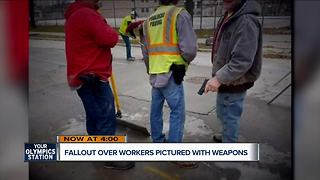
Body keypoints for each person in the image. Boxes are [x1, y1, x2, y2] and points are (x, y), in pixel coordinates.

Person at [64, 0, 134, 170]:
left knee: (93, 115)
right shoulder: (88, 15)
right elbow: (110, 38)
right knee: (105, 116)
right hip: (93, 76)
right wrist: (107, 27)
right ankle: (108, 157)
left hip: (81, 77)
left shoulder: (74, 15)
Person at [141, 0, 198, 168]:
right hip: (172, 71)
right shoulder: (179, 14)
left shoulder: (148, 20)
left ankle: (158, 142)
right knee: (177, 112)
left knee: (156, 109)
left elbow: (145, 52)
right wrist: (182, 64)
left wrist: (151, 69)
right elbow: (189, 49)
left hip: (155, 72)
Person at [205, 0, 262, 143]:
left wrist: (218, 79)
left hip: (236, 80)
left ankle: (229, 144)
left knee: (230, 115)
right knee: (222, 111)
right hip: (226, 78)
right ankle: (226, 135)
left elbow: (242, 61)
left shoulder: (246, 21)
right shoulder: (230, 14)